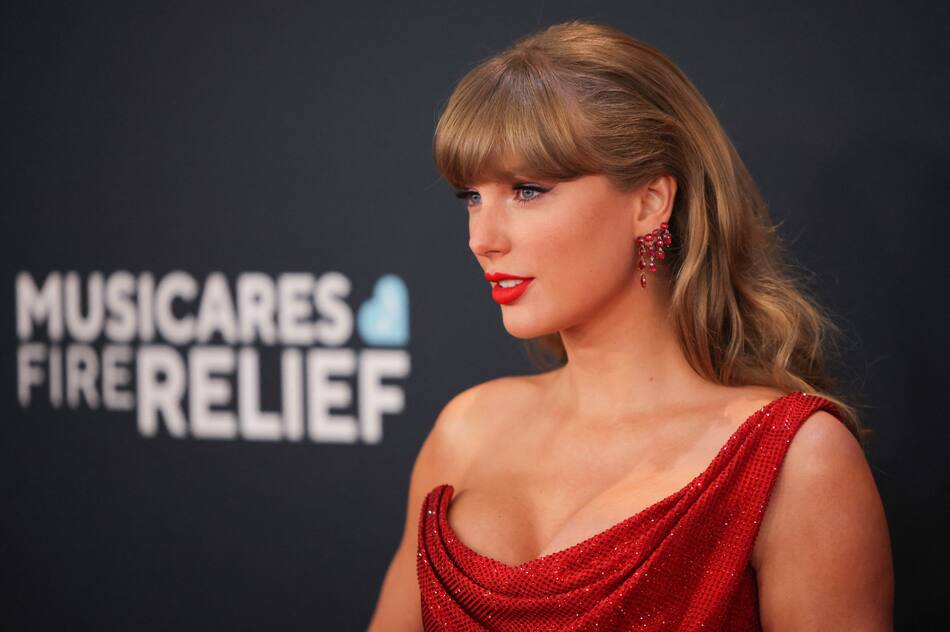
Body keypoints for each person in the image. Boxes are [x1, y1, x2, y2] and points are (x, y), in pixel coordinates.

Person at [368, 19, 893, 631]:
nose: (483, 240)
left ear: (649, 202)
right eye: (472, 197)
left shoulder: (796, 460)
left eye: (529, 190)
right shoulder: (466, 431)